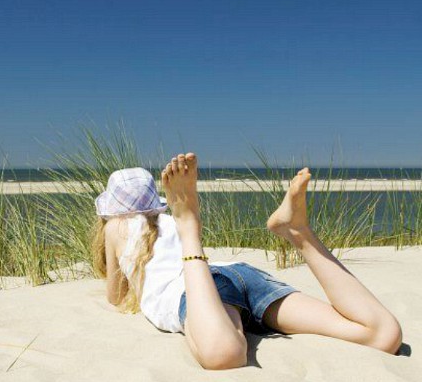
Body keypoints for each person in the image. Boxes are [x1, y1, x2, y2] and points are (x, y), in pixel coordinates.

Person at [92, 153, 403, 370]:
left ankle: (193, 227)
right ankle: (299, 233)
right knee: (383, 335)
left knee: (224, 353)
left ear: (110, 208)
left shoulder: (115, 228)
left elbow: (115, 296)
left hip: (200, 290)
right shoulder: (165, 221)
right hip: (238, 276)